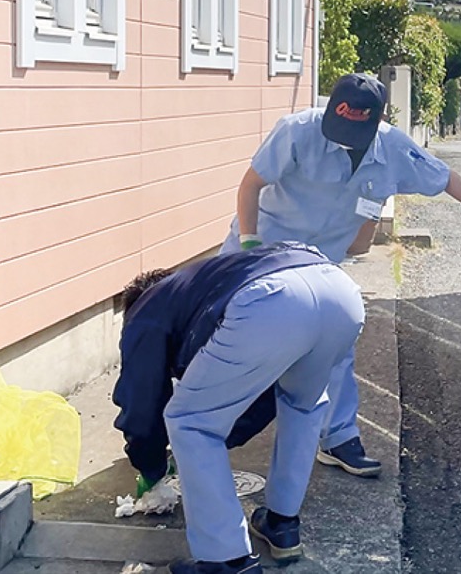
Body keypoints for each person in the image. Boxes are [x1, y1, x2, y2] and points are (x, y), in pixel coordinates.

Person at [220, 73, 461, 478]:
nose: (345, 136)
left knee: (334, 341)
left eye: (357, 128)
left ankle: (338, 439)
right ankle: (197, 425)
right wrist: (248, 242)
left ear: (376, 121)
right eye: (340, 125)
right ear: (332, 108)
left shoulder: (392, 147)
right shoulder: (297, 131)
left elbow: (443, 178)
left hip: (319, 262)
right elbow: (251, 185)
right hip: (262, 250)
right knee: (233, 339)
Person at [112, 242, 365, 572]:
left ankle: (227, 559)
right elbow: (258, 393)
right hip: (340, 292)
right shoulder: (201, 285)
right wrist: (224, 434)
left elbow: (141, 397)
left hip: (272, 300)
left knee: (191, 422)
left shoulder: (146, 309)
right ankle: (281, 524)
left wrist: (151, 466)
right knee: (302, 406)